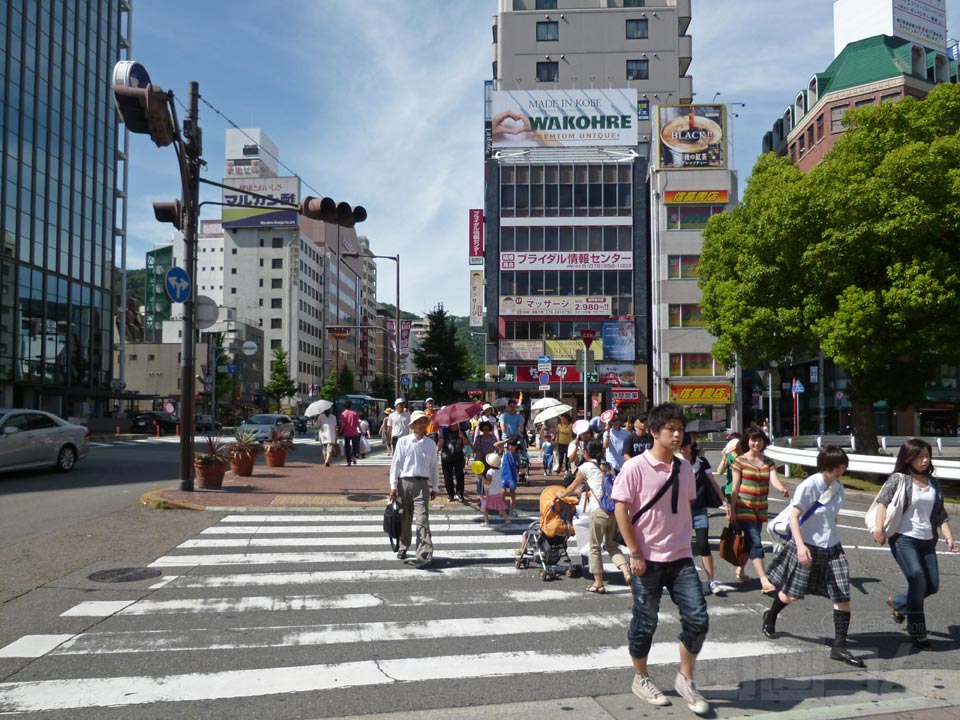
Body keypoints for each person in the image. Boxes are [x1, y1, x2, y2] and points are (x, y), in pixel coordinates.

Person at [611, 402, 710, 715]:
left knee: (698, 618)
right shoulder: (635, 467)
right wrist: (634, 552)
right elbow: (620, 510)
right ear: (654, 432)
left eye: (680, 429)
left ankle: (685, 678)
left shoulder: (685, 467)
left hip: (680, 557)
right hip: (646, 558)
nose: (677, 435)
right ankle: (640, 678)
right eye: (671, 429)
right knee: (645, 622)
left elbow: (686, 506)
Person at [762, 446, 867, 667]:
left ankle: (839, 647)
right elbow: (794, 517)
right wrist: (800, 547)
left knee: (842, 595)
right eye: (837, 466)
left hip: (832, 547)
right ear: (826, 465)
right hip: (807, 544)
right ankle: (770, 616)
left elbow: (831, 517)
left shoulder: (838, 487)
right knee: (792, 594)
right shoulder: (809, 485)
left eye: (843, 466)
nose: (841, 470)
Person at [872, 438, 958, 649]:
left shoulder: (933, 483)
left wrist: (949, 537)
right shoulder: (899, 479)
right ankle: (918, 632)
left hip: (927, 540)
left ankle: (898, 603)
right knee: (918, 579)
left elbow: (940, 514)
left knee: (932, 585)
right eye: (920, 457)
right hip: (904, 538)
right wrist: (879, 529)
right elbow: (882, 503)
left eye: (927, 456)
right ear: (909, 458)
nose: (925, 460)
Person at [558, 439, 630, 594]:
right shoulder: (608, 466)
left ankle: (598, 583)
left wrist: (561, 494)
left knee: (595, 547)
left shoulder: (585, 467)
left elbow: (573, 486)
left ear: (586, 453)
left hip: (598, 512)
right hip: (613, 511)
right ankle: (626, 572)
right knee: (612, 546)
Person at [730, 428, 789, 591]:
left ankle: (741, 570)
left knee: (751, 541)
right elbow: (735, 487)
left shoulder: (768, 462)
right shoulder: (740, 461)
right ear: (747, 441)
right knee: (755, 541)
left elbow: (774, 479)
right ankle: (764, 580)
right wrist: (732, 509)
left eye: (760, 440)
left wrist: (781, 488)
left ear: (764, 442)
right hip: (744, 506)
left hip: (760, 507)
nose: (756, 443)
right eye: (753, 440)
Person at [680, 433, 731, 596]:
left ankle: (711, 580)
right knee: (683, 546)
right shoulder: (675, 463)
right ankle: (684, 581)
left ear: (691, 446)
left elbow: (713, 482)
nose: (682, 450)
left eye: (685, 447)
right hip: (681, 512)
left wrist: (724, 501)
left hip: (700, 509)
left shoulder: (701, 462)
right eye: (680, 448)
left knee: (703, 544)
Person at [388, 410, 439, 567]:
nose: (422, 425)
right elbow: (396, 464)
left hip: (422, 485)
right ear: (413, 425)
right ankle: (403, 546)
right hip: (404, 483)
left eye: (424, 422)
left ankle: (424, 554)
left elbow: (434, 467)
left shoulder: (431, 444)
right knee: (405, 518)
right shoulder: (403, 441)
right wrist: (393, 486)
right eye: (419, 422)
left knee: (422, 519)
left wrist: (435, 486)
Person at [439, 419, 470, 502]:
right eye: (453, 422)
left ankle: (460, 493)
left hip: (459, 456)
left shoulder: (461, 431)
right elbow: (441, 442)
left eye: (457, 422)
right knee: (447, 477)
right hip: (446, 457)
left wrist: (462, 436)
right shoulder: (445, 430)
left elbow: (467, 443)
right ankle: (450, 494)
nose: (455, 424)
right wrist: (436, 451)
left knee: (460, 476)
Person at [481, 453, 510, 526]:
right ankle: (507, 520)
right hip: (497, 492)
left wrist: (481, 477)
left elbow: (488, 482)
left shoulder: (490, 472)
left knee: (485, 507)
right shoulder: (500, 470)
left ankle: (486, 522)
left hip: (490, 493)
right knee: (500, 508)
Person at [498, 435, 522, 513]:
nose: (511, 447)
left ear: (516, 446)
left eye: (513, 445)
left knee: (512, 492)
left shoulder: (517, 453)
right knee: (503, 491)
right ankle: (502, 508)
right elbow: (495, 445)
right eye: (510, 445)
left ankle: (512, 509)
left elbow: (519, 462)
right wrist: (505, 441)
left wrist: (520, 469)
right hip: (504, 473)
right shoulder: (505, 451)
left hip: (512, 473)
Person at [339, 399, 361, 466]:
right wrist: (361, 430)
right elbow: (357, 423)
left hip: (346, 433)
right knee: (355, 446)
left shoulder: (343, 414)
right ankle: (353, 456)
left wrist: (340, 430)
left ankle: (348, 461)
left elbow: (342, 424)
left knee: (347, 447)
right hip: (354, 432)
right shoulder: (355, 413)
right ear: (351, 406)